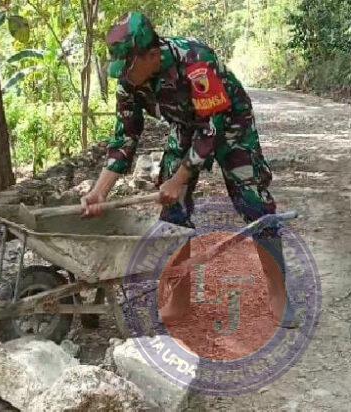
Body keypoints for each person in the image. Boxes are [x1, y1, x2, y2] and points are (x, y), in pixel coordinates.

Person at [81, 12, 297, 328]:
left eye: (128, 67)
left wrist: (179, 179)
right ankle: (181, 297)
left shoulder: (195, 60)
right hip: (185, 126)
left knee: (255, 204)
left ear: (152, 55)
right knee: (172, 212)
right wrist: (100, 191)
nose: (123, 76)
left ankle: (279, 294)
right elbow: (124, 137)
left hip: (229, 122)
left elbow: (212, 128)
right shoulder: (129, 83)